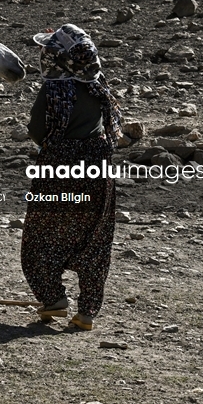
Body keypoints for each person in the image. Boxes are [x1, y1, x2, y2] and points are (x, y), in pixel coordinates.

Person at [21, 24, 122, 331]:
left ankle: (53, 299)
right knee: (94, 239)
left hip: (58, 171)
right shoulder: (98, 86)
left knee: (41, 236)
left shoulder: (54, 90)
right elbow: (111, 129)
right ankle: (87, 312)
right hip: (97, 169)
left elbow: (37, 131)